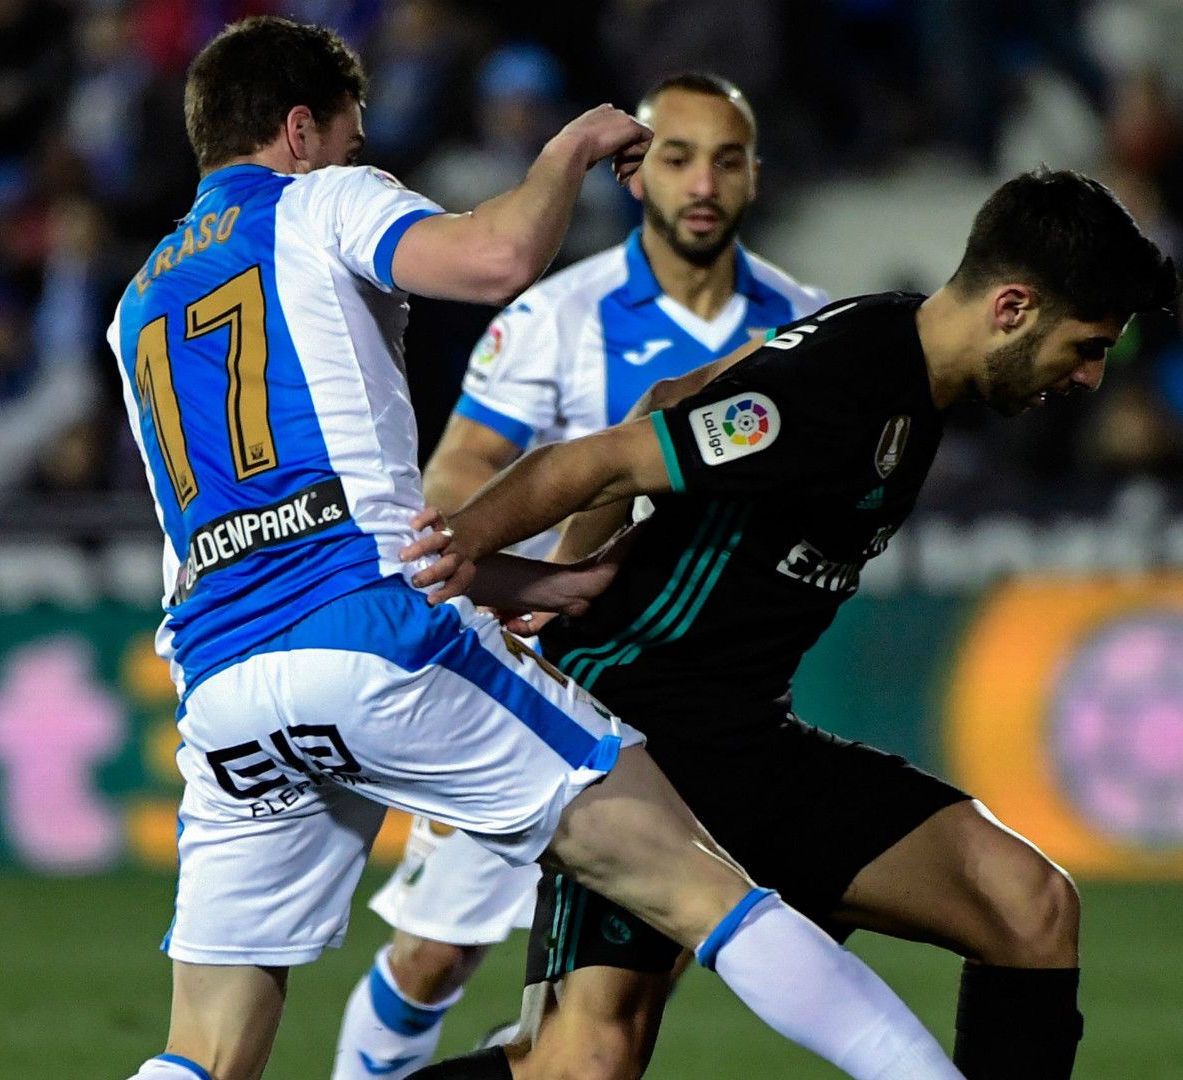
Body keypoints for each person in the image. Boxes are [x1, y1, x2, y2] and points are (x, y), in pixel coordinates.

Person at [112, 17, 962, 1080]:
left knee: (205, 1045)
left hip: (224, 684)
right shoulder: (319, 198)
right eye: (351, 135)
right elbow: (496, 257)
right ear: (298, 129)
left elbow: (273, 526)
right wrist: (564, 154)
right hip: (372, 639)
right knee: (704, 886)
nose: (359, 155)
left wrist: (541, 578)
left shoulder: (140, 297)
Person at [406, 168, 1181, 1080]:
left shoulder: (893, 339)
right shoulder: (844, 386)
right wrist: (451, 566)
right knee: (583, 1064)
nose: (1090, 377)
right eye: (1086, 347)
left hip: (748, 740)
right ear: (1012, 306)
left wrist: (575, 572)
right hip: (637, 734)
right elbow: (603, 460)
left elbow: (672, 395)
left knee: (1029, 906)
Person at [334, 71, 826, 1079]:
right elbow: (461, 472)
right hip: (541, 685)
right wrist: (518, 586)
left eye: (726, 160)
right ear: (638, 171)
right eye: (679, 157)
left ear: (754, 177)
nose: (703, 182)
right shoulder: (558, 316)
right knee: (434, 954)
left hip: (693, 701)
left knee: (611, 1015)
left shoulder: (809, 328)